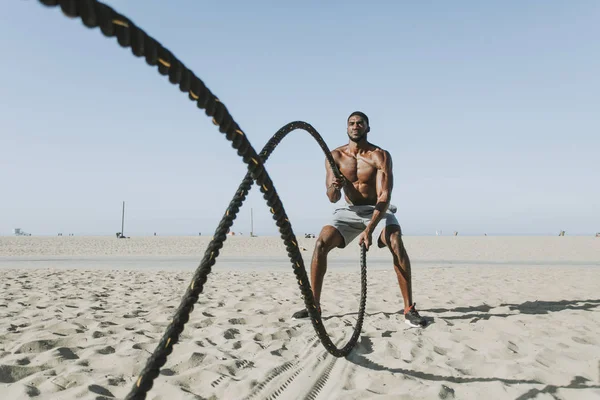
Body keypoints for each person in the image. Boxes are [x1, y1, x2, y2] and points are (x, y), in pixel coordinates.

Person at [292, 111, 427, 328]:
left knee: (395, 241)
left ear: (367, 128)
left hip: (377, 209)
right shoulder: (334, 156)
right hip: (349, 211)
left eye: (360, 123)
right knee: (320, 244)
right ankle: (314, 305)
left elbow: (384, 195)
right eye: (352, 123)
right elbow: (332, 198)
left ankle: (409, 309)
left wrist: (370, 229)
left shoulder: (379, 155)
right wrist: (334, 187)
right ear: (347, 128)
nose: (355, 126)